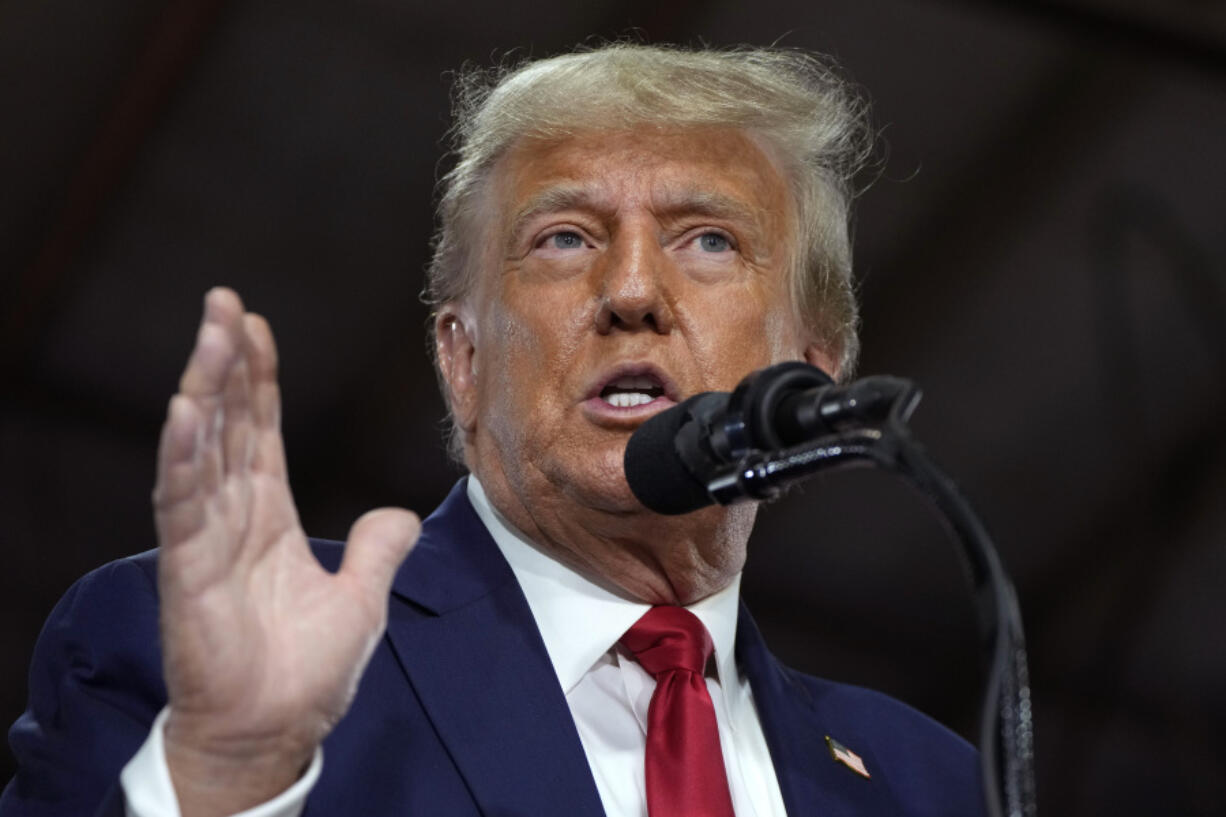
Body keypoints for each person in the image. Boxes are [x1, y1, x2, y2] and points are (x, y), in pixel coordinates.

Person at [1, 44, 983, 817]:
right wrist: (223, 781)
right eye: (563, 239)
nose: (632, 291)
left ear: (809, 375)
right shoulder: (207, 662)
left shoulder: (929, 785)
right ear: (461, 361)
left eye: (707, 240)